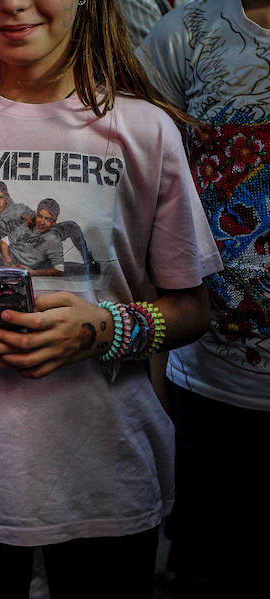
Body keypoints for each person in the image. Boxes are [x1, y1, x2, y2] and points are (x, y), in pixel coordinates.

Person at [0, 0, 222, 597]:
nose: (12, 4)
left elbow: (192, 307)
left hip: (108, 473)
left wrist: (104, 330)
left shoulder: (143, 130)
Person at [137, 1, 270, 596]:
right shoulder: (187, 33)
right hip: (212, 378)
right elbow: (139, 186)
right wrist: (156, 367)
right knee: (210, 562)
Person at [0, 198, 65, 276]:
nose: (42, 222)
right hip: (5, 259)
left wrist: (33, 273)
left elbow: (60, 270)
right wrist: (10, 263)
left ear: (53, 222)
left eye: (47, 219)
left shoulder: (53, 239)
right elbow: (3, 242)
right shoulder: (29, 225)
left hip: (19, 269)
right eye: (40, 216)